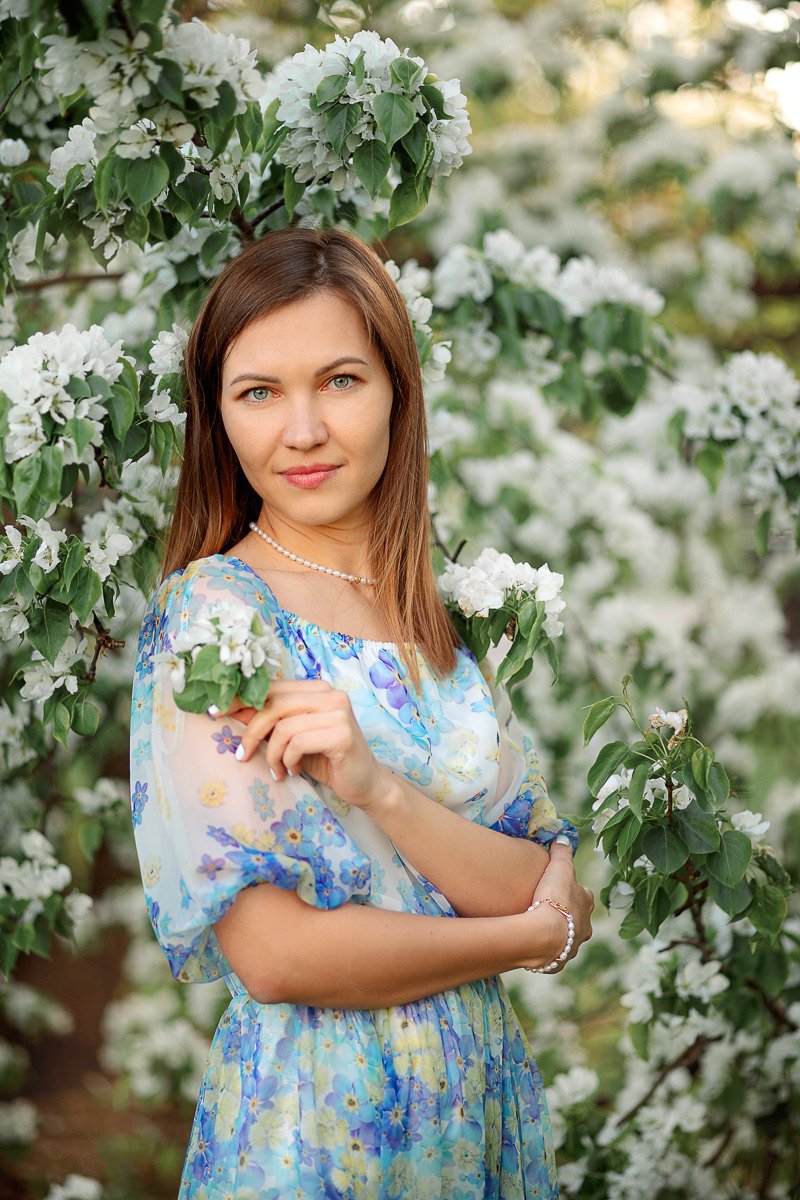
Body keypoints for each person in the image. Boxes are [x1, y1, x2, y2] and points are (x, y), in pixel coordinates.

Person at [130, 227, 594, 1200]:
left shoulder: (439, 618)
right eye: (259, 392)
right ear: (219, 416)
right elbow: (277, 955)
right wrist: (520, 940)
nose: (302, 431)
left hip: (475, 1118)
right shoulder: (218, 618)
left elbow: (543, 881)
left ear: (396, 392)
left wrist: (379, 789)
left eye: (339, 380)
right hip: (316, 1132)